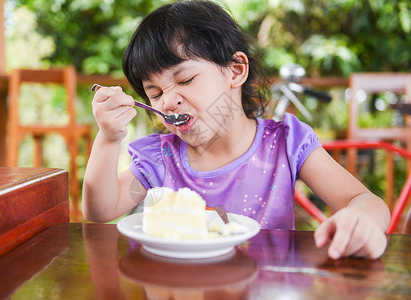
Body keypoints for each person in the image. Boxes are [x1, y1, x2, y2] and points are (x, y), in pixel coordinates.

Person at [82, 0, 390, 260]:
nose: (169, 101)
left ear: (236, 70)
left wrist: (361, 218)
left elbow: (365, 201)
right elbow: (101, 209)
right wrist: (109, 138)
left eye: (185, 80)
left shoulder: (284, 144)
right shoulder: (160, 158)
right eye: (156, 93)